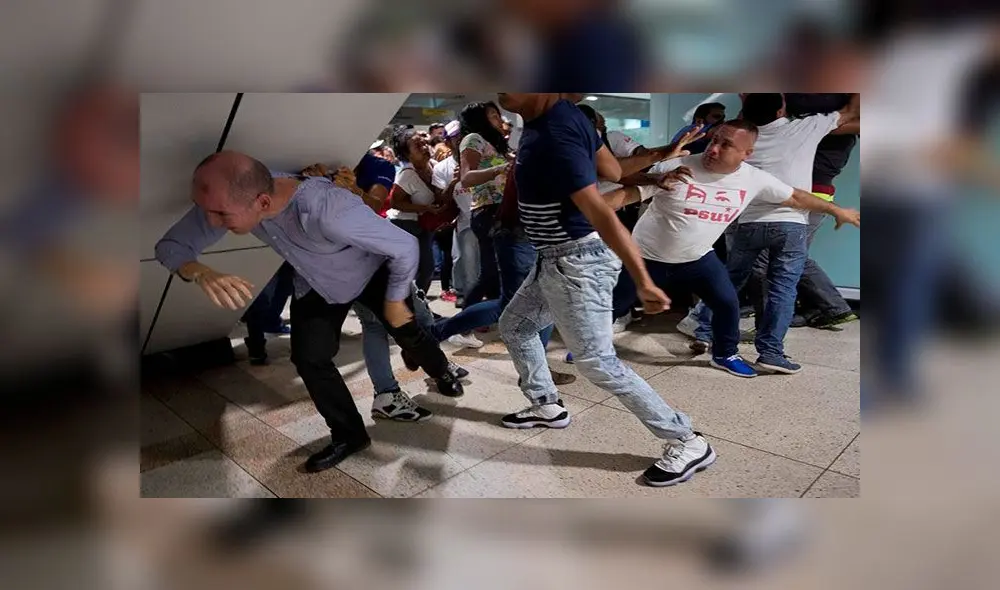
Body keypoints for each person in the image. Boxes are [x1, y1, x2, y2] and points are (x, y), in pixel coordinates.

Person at [154, 151, 464, 473]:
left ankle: (441, 370)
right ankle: (349, 435)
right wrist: (199, 271)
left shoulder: (326, 208)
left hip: (372, 271)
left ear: (262, 202)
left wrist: (396, 299)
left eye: (221, 215)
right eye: (208, 211)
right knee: (309, 358)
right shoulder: (234, 196)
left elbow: (404, 246)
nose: (211, 222)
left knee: (408, 333)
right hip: (319, 281)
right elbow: (170, 246)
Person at [494, 93, 714, 487]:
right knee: (517, 327)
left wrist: (643, 279)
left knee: (597, 362)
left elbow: (599, 212)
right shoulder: (566, 117)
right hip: (553, 257)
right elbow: (612, 168)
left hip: (576, 261)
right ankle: (546, 404)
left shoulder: (556, 133)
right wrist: (663, 154)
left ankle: (686, 439)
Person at [609, 119, 861, 379]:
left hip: (697, 257)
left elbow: (795, 196)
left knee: (727, 302)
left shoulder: (753, 178)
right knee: (613, 305)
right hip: (645, 257)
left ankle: (725, 354)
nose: (713, 149)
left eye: (725, 145)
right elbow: (624, 192)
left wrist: (836, 210)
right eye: (714, 140)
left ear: (746, 153)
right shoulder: (676, 167)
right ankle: (592, 345)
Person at [689, 93, 861, 374]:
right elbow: (851, 112)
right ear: (781, 110)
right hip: (791, 223)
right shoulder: (805, 128)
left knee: (730, 282)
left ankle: (704, 331)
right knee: (783, 288)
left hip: (748, 222)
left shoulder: (746, 140)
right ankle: (770, 353)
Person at [783, 93, 860, 329]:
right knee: (787, 252)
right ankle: (821, 306)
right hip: (788, 176)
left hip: (816, 180)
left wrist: (811, 127)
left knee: (788, 253)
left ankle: (830, 306)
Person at [457, 101, 511, 307]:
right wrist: (499, 169)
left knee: (499, 271)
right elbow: (466, 178)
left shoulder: (495, 143)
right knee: (491, 271)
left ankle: (492, 312)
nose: (500, 119)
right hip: (488, 210)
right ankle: (466, 316)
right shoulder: (474, 139)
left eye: (499, 115)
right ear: (480, 119)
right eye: (493, 115)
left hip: (502, 210)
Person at [385, 126, 442, 293]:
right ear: (407, 154)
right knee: (412, 270)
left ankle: (417, 302)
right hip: (403, 225)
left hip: (425, 225)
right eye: (418, 146)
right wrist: (424, 208)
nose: (424, 147)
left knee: (427, 268)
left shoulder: (434, 166)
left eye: (424, 143)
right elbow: (395, 203)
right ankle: (406, 303)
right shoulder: (406, 175)